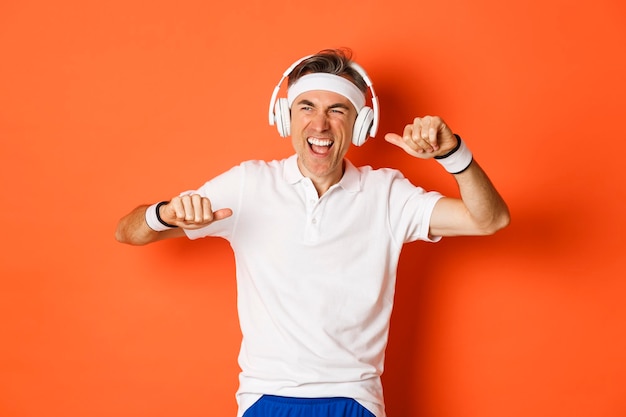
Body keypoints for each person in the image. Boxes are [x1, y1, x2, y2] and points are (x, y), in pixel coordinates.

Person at [115, 48, 510, 417]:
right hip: (265, 397)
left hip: (355, 399)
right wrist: (165, 214)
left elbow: (489, 219)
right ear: (286, 116)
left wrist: (453, 154)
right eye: (307, 107)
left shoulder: (387, 194)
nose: (320, 124)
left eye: (337, 110)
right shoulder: (248, 185)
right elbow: (128, 232)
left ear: (360, 125)